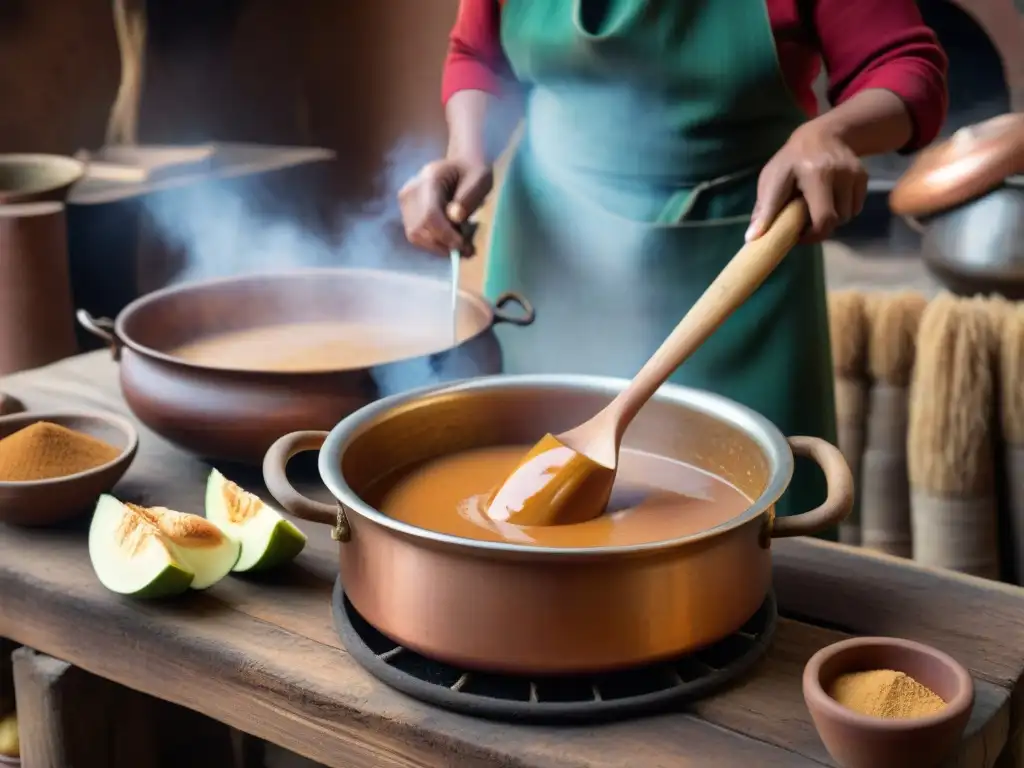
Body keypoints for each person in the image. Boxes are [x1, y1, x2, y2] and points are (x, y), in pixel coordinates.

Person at [398, 0, 947, 529]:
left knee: (755, 532)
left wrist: (831, 133)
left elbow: (904, 66)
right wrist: (467, 149)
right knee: (511, 491)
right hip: (547, 261)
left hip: (739, 263)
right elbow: (477, 53)